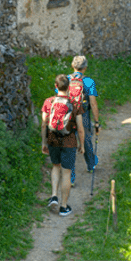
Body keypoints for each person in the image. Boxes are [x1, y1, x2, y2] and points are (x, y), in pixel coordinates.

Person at [42, 74, 85, 217]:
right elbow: (80, 128)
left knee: (55, 166)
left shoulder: (49, 101)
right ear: (69, 88)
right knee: (66, 172)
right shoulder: (75, 104)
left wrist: (44, 142)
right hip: (69, 141)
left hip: (52, 139)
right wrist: (82, 145)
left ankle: (54, 196)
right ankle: (63, 206)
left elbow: (44, 124)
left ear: (56, 86)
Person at [68, 55, 100, 184]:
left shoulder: (65, 79)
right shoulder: (89, 82)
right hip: (83, 114)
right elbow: (93, 103)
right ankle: (91, 165)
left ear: (72, 66)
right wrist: (97, 121)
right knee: (86, 139)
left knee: (69, 144)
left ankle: (71, 178)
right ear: (85, 68)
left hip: (68, 115)